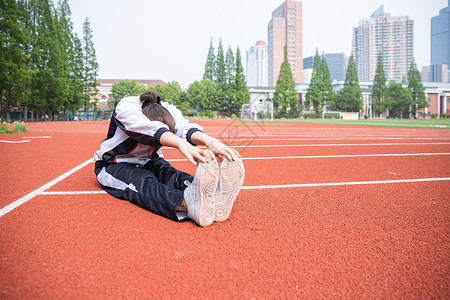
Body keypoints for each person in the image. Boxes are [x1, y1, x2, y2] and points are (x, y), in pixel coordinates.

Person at [94, 91, 245, 227]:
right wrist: (181, 144)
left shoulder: (167, 108)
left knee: (171, 174)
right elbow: (146, 128)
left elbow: (184, 128)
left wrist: (211, 142)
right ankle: (187, 204)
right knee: (144, 182)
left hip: (150, 160)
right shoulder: (126, 106)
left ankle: (212, 194)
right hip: (114, 164)